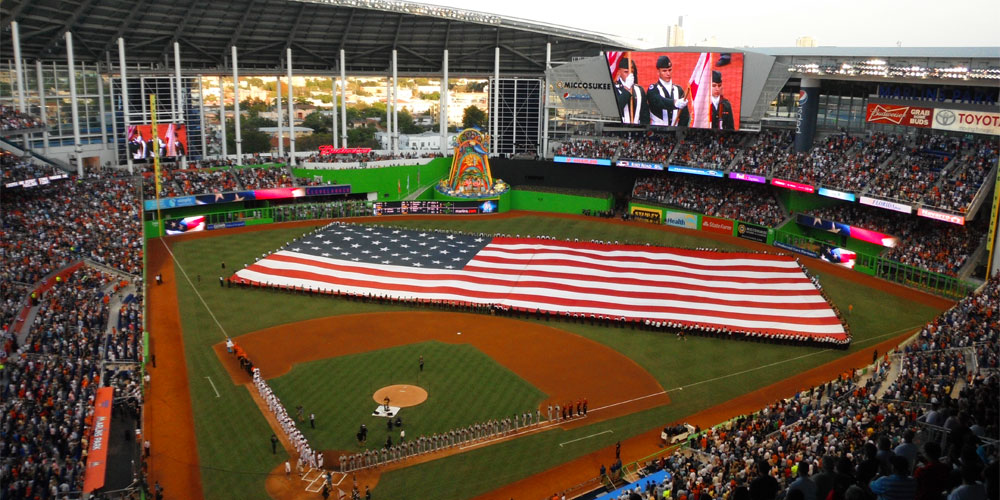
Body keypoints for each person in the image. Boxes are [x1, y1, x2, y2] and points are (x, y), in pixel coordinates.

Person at [647, 55, 689, 127]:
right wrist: (675, 103)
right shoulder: (653, 89)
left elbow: (685, 116)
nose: (668, 74)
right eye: (664, 71)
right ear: (658, 71)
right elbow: (659, 101)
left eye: (670, 70)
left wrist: (678, 130)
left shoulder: (678, 90)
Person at [613, 54, 649, 125]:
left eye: (631, 72)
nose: (629, 75)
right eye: (626, 72)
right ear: (619, 72)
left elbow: (645, 115)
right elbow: (616, 109)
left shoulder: (639, 90)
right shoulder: (614, 88)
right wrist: (626, 88)